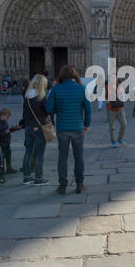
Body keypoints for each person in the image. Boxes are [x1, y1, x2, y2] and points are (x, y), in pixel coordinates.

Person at [45, 65, 91, 195]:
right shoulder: (82, 88)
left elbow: (49, 109)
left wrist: (58, 109)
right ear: (75, 75)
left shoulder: (55, 89)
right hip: (77, 128)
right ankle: (80, 184)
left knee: (62, 157)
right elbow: (88, 109)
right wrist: (87, 124)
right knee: (79, 157)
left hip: (62, 128)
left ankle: (62, 186)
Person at [21, 74, 50, 186]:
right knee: (39, 153)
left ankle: (26, 177)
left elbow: (24, 113)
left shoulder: (27, 96)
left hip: (28, 127)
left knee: (28, 152)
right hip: (39, 127)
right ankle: (38, 178)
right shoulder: (42, 96)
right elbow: (49, 110)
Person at [0, 108, 21, 174]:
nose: (8, 119)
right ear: (2, 115)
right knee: (2, 157)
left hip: (6, 142)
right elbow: (0, 133)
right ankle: (1, 170)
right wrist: (9, 130)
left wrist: (13, 129)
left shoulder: (5, 121)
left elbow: (7, 131)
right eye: (7, 117)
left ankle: (9, 168)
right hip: (1, 143)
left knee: (8, 155)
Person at [107, 78, 127, 148]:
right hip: (111, 110)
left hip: (120, 109)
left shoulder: (120, 86)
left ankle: (120, 139)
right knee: (112, 127)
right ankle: (113, 141)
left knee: (124, 124)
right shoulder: (107, 87)